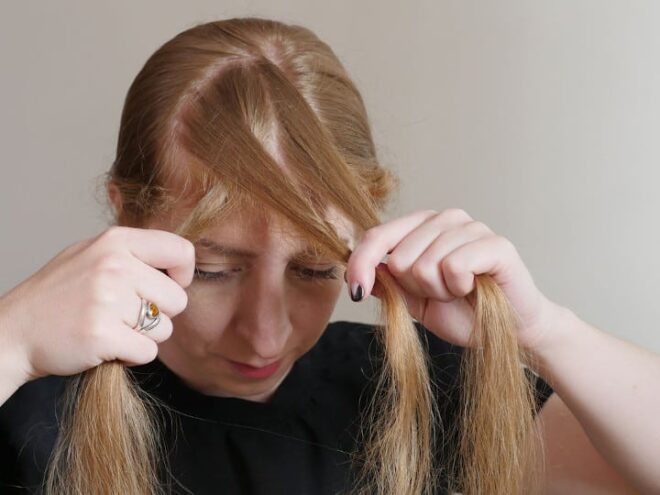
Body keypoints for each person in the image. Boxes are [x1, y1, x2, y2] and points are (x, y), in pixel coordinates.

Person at [0, 16, 657, 495]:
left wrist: (543, 330)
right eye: (214, 270)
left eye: (314, 268)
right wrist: (9, 342)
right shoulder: (32, 406)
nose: (266, 333)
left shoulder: (409, 389)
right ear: (127, 213)